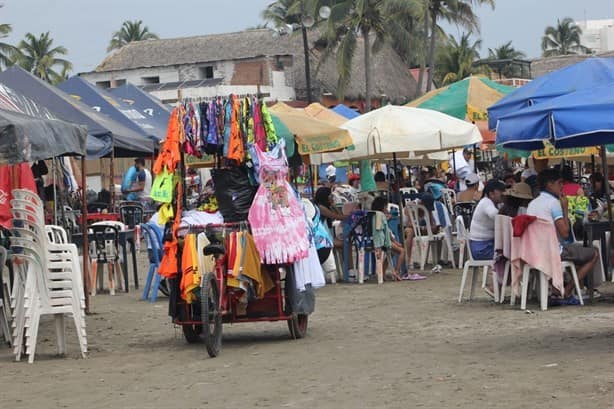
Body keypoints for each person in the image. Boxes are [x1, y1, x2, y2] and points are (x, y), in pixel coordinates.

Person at [527, 168, 600, 300]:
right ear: (550, 184)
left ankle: (559, 288)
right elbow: (565, 233)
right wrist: (565, 209)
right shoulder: (553, 203)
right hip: (553, 251)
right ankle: (567, 290)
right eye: (559, 183)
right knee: (594, 253)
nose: (562, 186)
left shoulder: (532, 204)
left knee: (576, 254)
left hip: (534, 250)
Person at [469, 179, 506, 260]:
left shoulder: (496, 204)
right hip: (481, 249)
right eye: (501, 191)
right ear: (491, 194)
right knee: (508, 256)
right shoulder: (486, 203)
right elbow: (497, 217)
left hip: (487, 245)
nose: (503, 194)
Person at [371, 196, 404, 281]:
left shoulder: (372, 215)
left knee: (392, 252)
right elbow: (384, 231)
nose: (387, 208)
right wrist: (395, 242)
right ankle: (396, 272)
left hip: (375, 240)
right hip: (382, 241)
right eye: (386, 206)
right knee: (402, 251)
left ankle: (383, 272)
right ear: (382, 207)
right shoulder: (380, 215)